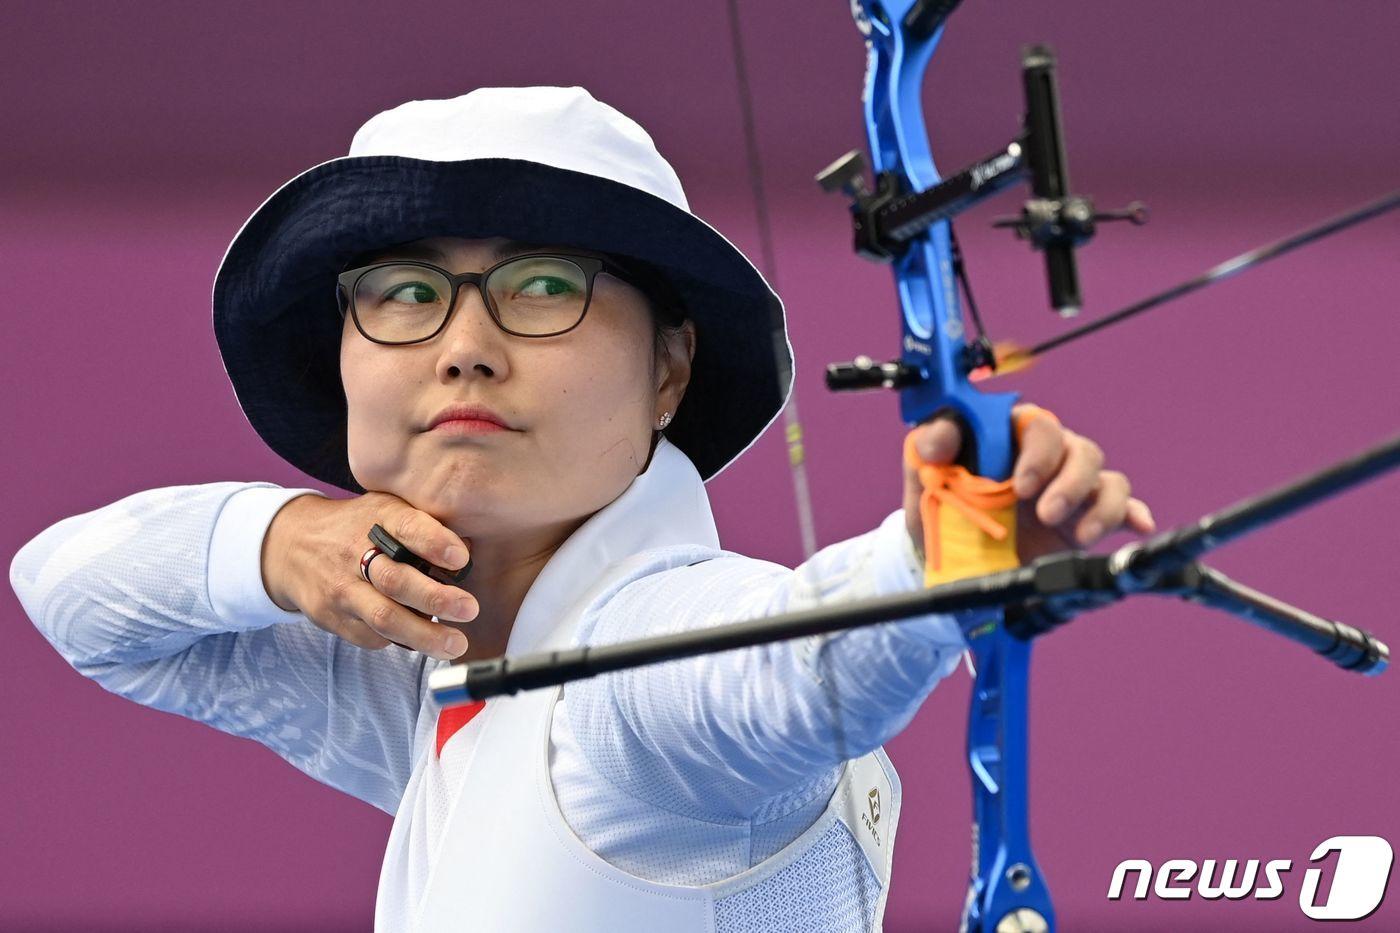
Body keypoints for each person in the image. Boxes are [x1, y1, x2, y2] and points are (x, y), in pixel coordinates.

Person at [9, 87, 1152, 931]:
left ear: (668, 369)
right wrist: (274, 541)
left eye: (543, 287)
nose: (463, 348)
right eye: (404, 294)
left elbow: (783, 673)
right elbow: (69, 592)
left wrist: (946, 554)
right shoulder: (421, 665)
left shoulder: (632, 673)